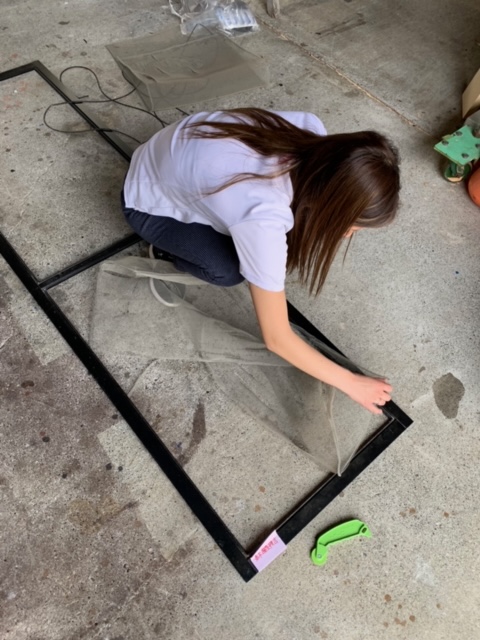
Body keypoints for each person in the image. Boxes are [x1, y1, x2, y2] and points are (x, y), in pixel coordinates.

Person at [121, 108, 400, 415]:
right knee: (227, 271)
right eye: (351, 227)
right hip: (145, 201)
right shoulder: (263, 216)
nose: (347, 235)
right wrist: (351, 383)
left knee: (255, 245)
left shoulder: (310, 129)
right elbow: (277, 337)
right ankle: (166, 250)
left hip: (163, 152)